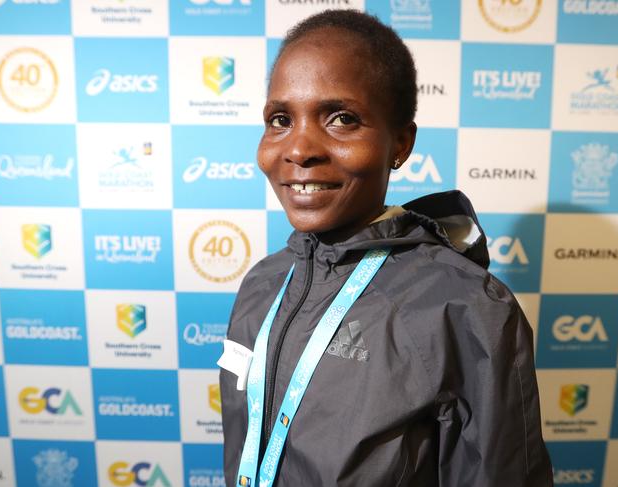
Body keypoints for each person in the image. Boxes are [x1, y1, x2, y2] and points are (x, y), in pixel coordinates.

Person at [219, 9, 553, 487]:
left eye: (341, 118)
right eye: (279, 119)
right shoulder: (262, 284)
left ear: (400, 142)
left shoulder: (466, 307)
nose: (299, 148)